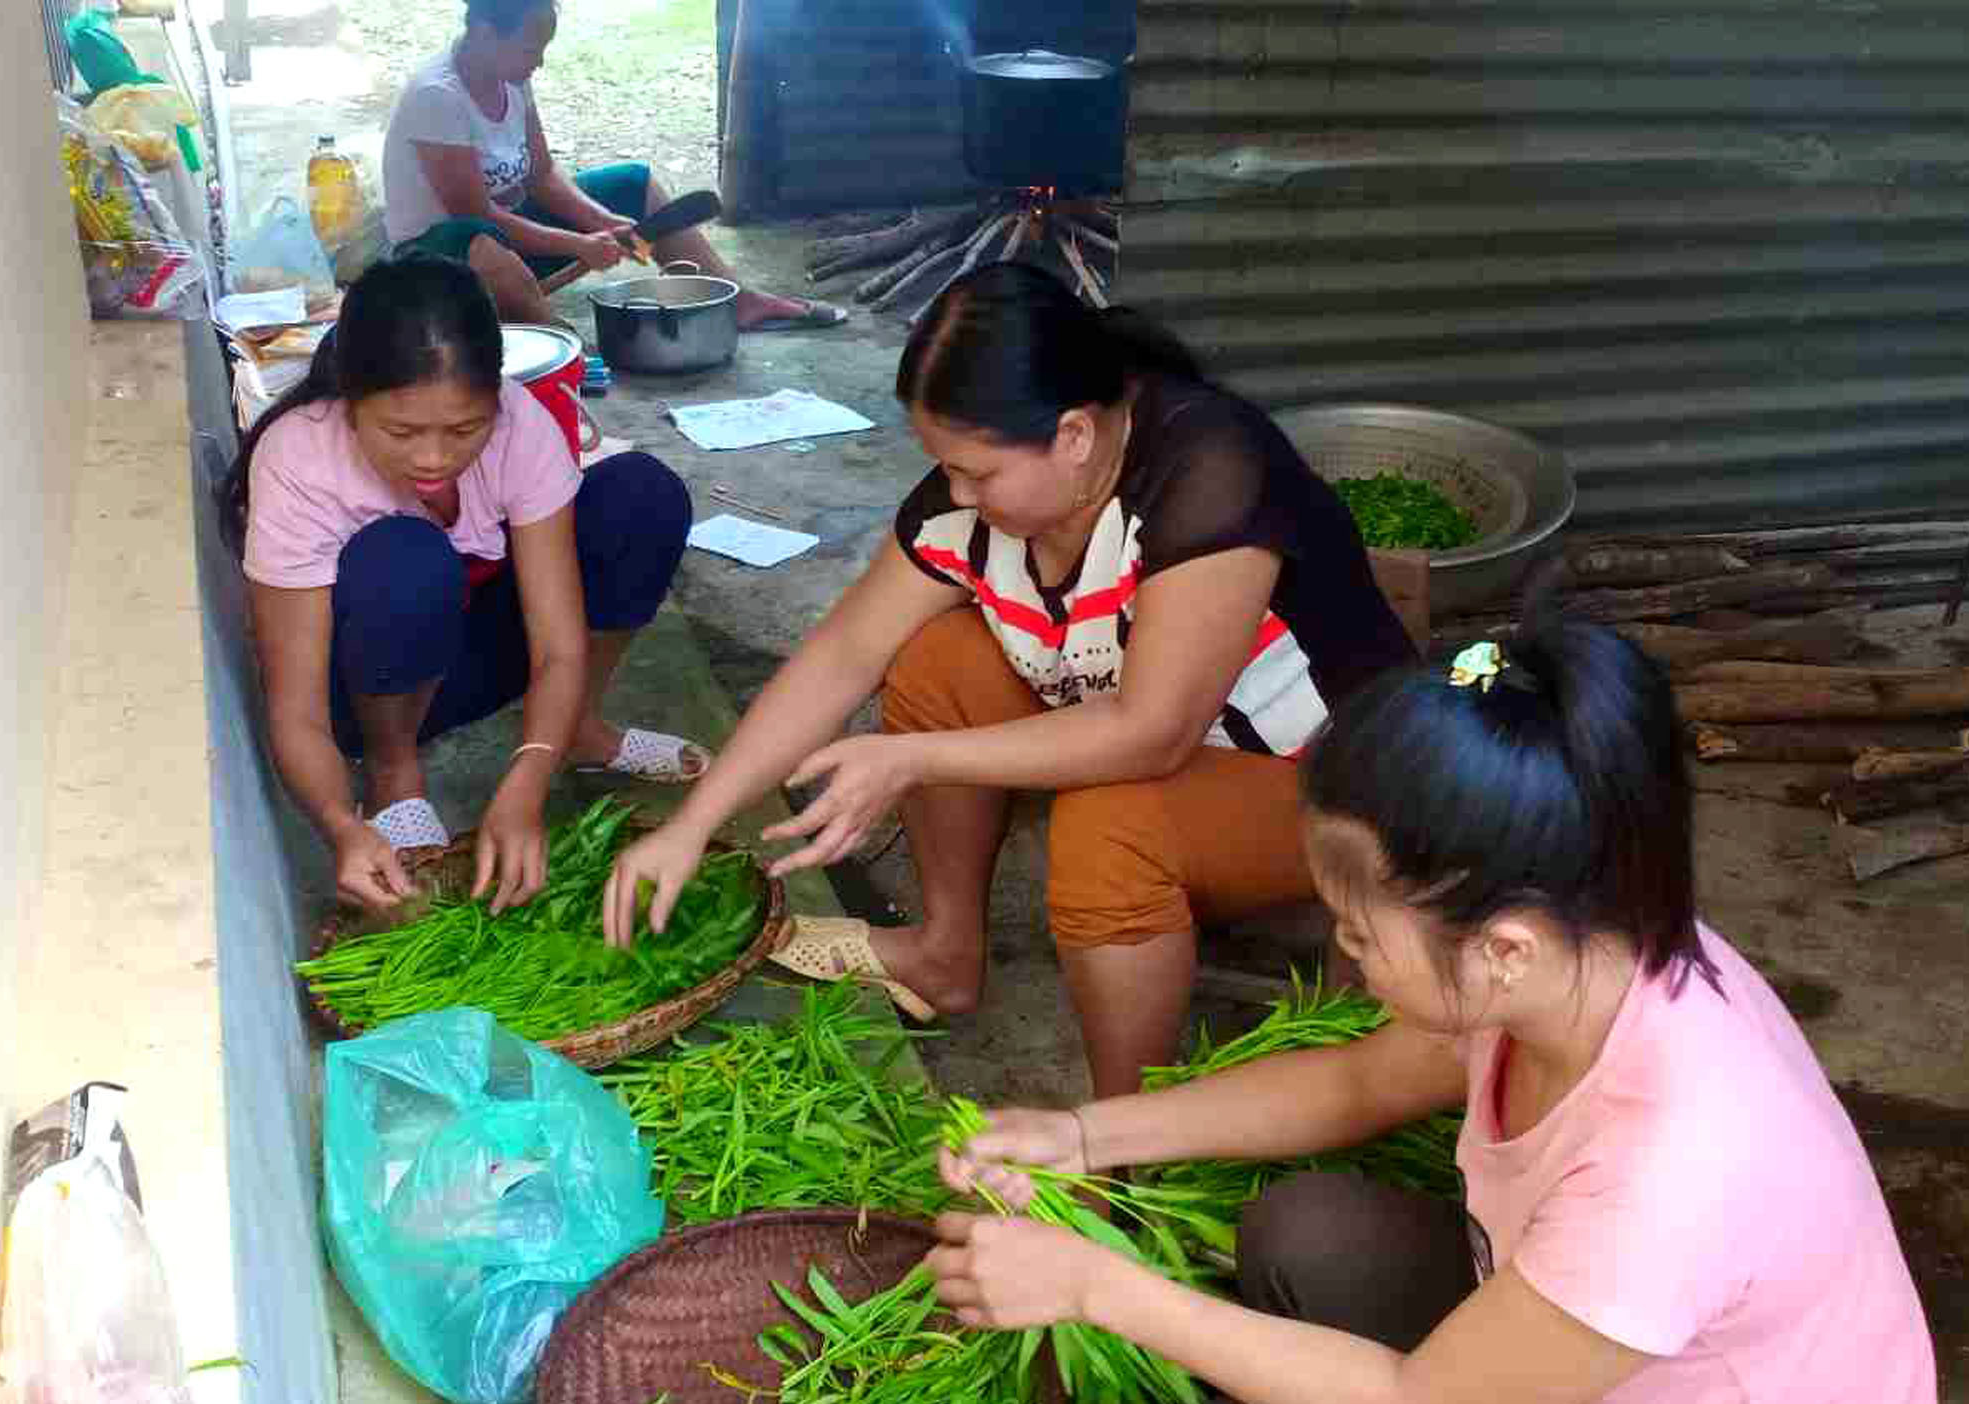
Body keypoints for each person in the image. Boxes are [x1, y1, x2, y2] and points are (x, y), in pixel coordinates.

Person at [926, 617, 1938, 1404]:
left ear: (1502, 947)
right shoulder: (1584, 951)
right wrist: (1084, 1135)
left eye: (1360, 937)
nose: (1348, 958)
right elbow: (1357, 1081)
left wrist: (1098, 1287)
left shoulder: (1675, 1160)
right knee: (1301, 1230)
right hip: (1624, 1396)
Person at [602, 262, 1418, 1099]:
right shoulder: (977, 505)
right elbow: (845, 651)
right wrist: (694, 825)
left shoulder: (1209, 475)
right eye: (946, 466)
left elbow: (1150, 732)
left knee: (1109, 828)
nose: (955, 493)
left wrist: (913, 761)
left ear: (1072, 436)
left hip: (1336, 781)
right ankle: (942, 955)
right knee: (937, 659)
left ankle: (1121, 1147)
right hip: (1161, 736)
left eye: (977, 472)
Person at [222, 254, 709, 914]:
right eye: (401, 431)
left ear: (494, 400)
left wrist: (529, 772)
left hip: (466, 652)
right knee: (404, 557)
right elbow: (296, 712)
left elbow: (556, 646)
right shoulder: (299, 458)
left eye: (464, 428)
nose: (432, 457)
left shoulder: (519, 421)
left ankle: (575, 730)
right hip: (366, 683)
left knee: (640, 496)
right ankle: (394, 778)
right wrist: (341, 828)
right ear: (350, 399)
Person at [381, 0, 843, 331]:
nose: (539, 61)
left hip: (510, 237)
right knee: (483, 239)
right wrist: (581, 244)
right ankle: (559, 352)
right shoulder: (436, 96)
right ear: (484, 33)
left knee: (634, 184)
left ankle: (738, 301)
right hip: (445, 257)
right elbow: (476, 216)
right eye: (530, 48)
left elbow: (541, 175)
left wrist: (602, 222)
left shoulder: (510, 77)